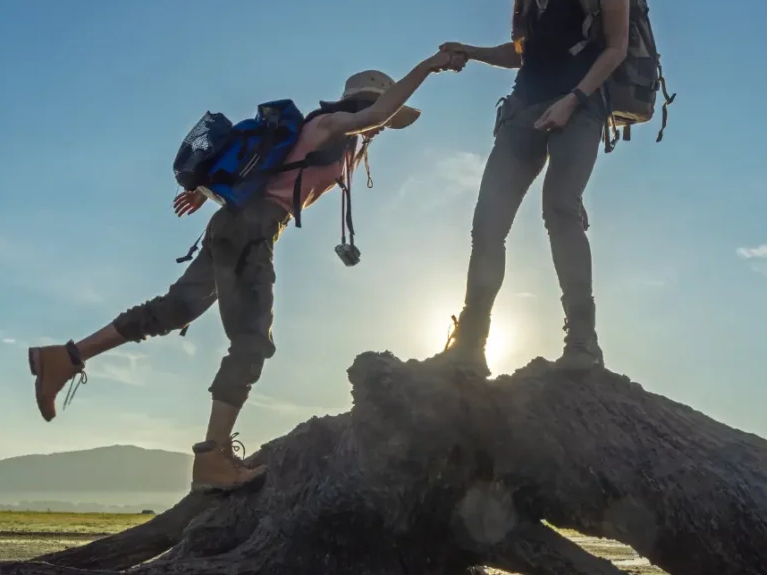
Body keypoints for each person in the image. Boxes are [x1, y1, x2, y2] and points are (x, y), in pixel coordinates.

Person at [27, 50, 465, 492]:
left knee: (173, 310)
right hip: (248, 234)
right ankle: (214, 459)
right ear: (364, 103)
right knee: (252, 340)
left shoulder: (334, 139)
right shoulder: (330, 126)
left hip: (234, 228)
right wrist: (428, 66)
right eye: (382, 116)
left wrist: (209, 193)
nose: (386, 126)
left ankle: (64, 357)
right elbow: (379, 113)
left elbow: (267, 175)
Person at [437, 0, 632, 375]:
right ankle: (471, 342)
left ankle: (583, 344)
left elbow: (616, 46)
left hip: (583, 104)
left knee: (561, 207)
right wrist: (473, 52)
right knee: (488, 222)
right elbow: (521, 50)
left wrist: (574, 100)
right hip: (525, 105)